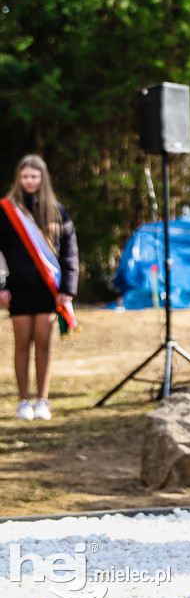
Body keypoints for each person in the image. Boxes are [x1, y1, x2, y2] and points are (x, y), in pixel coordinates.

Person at [0, 155, 79, 421]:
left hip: (48, 289)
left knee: (44, 343)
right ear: (18, 179)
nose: (29, 181)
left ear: (43, 179)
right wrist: (1, 286)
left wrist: (67, 287)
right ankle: (23, 401)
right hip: (17, 290)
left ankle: (42, 401)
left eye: (34, 176)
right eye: (24, 176)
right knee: (22, 343)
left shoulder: (57, 211)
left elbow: (69, 252)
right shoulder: (7, 211)